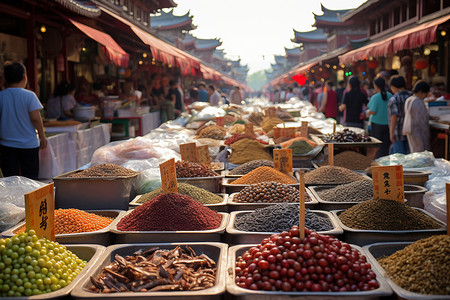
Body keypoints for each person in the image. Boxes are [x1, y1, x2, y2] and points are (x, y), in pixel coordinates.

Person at [0, 62, 47, 180]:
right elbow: (36, 118)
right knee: (30, 179)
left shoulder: (1, 96)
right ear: (24, 77)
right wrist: (42, 136)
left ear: (5, 79)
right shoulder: (29, 95)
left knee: (10, 180)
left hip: (6, 144)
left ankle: (13, 199)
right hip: (28, 145)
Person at [403, 81, 432, 153]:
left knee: (414, 152)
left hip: (411, 131)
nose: (425, 96)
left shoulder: (409, 99)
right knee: (421, 154)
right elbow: (421, 120)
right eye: (425, 94)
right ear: (421, 92)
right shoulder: (418, 101)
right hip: (419, 132)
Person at [367, 77, 392, 158]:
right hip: (388, 124)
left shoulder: (375, 97)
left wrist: (367, 112)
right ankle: (385, 160)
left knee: (377, 146)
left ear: (375, 85)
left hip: (376, 124)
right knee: (386, 146)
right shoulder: (390, 95)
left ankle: (378, 162)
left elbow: (372, 111)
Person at [388, 76, 411, 154]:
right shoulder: (412, 96)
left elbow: (394, 116)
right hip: (411, 132)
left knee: (399, 158)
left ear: (393, 87)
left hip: (398, 132)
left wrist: (391, 133)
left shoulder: (394, 99)